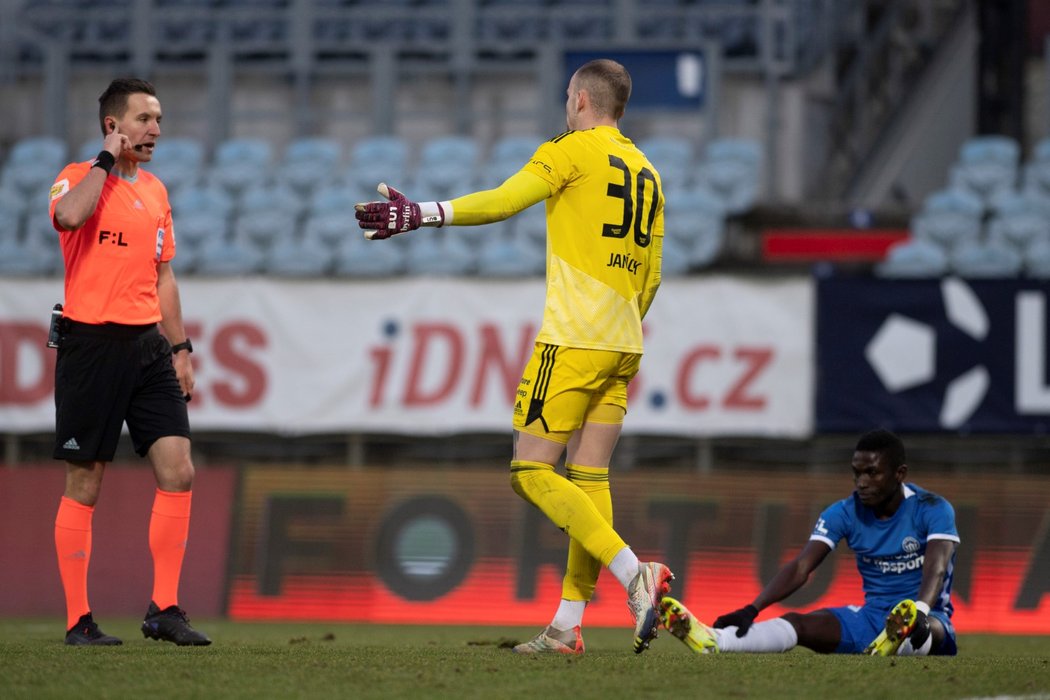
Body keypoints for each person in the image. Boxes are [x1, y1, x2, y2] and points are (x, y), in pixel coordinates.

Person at [356, 59, 670, 654]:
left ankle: (636, 575)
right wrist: (619, 325)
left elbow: (503, 202)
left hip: (574, 338)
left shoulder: (571, 149)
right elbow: (652, 275)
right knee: (590, 476)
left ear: (579, 100)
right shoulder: (648, 170)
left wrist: (421, 213)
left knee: (531, 471)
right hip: (624, 341)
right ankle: (567, 626)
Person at [49, 77, 210, 646]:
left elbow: (163, 273)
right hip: (90, 347)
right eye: (144, 119)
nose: (156, 130)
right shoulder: (76, 177)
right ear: (113, 126)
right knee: (86, 483)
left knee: (179, 470)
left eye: (159, 119)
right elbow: (69, 218)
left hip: (147, 349)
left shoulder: (158, 192)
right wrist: (103, 162)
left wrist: (180, 347)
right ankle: (78, 620)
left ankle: (163, 608)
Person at [658, 429, 959, 657]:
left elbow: (937, 566)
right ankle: (715, 640)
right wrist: (753, 608)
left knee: (924, 630)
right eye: (857, 473)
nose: (862, 482)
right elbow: (802, 567)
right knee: (797, 624)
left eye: (872, 473)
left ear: (899, 474)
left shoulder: (932, 508)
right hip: (872, 617)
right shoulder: (843, 512)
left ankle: (906, 635)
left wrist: (919, 611)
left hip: (930, 616)